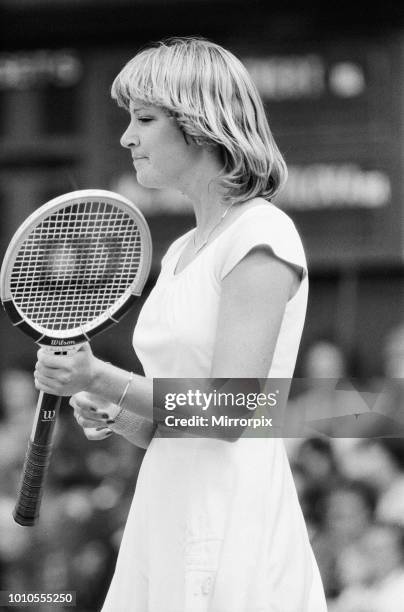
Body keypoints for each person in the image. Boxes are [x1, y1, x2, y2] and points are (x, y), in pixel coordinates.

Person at [34, 37, 327, 611]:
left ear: (200, 126)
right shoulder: (182, 252)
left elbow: (233, 413)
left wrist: (101, 376)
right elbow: (176, 434)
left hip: (233, 524)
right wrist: (117, 410)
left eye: (144, 119)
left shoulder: (261, 236)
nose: (127, 137)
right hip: (164, 516)